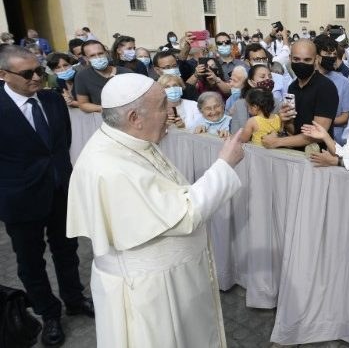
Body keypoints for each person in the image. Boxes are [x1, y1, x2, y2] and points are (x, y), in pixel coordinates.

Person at [66, 73, 245, 347]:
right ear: (135, 118)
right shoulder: (111, 167)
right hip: (152, 292)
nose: (170, 111)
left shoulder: (129, 141)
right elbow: (184, 215)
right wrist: (224, 165)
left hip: (170, 278)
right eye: (162, 106)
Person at [0, 46, 94, 346]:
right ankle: (49, 313)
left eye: (40, 70)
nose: (38, 77)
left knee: (67, 251)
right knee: (31, 262)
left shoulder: (52, 100)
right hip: (20, 201)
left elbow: (60, 145)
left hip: (60, 192)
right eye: (28, 74)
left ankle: (75, 299)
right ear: (3, 75)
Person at [261, 39, 339, 150]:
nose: (301, 64)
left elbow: (317, 134)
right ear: (290, 59)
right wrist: (286, 121)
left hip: (319, 158)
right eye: (296, 59)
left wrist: (277, 142)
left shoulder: (326, 88)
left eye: (307, 60)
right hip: (296, 155)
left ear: (316, 60)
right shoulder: (292, 87)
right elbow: (295, 130)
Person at [314, 35, 349, 144]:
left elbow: (345, 117)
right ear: (316, 56)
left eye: (334, 54)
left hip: (335, 138)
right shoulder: (304, 79)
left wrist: (322, 123)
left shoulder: (343, 82)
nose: (331, 57)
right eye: (327, 54)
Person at [75, 40, 134, 113]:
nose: (98, 58)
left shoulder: (126, 73)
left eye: (100, 53)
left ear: (106, 53)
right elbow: (83, 104)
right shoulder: (82, 76)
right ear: (86, 58)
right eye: (92, 55)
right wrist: (105, 109)